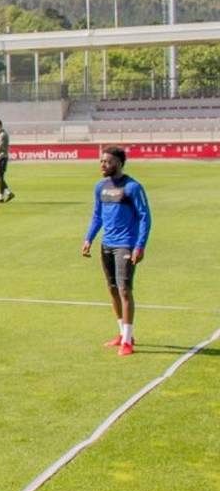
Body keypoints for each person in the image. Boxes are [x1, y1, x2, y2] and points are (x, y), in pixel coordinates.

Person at [80, 146, 152, 357]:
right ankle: (122, 334)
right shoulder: (100, 187)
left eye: (107, 162)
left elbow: (145, 218)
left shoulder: (133, 188)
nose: (103, 165)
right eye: (101, 161)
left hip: (125, 245)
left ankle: (128, 341)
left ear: (119, 163)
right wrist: (88, 238)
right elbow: (97, 216)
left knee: (124, 290)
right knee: (112, 288)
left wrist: (140, 246)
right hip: (107, 245)